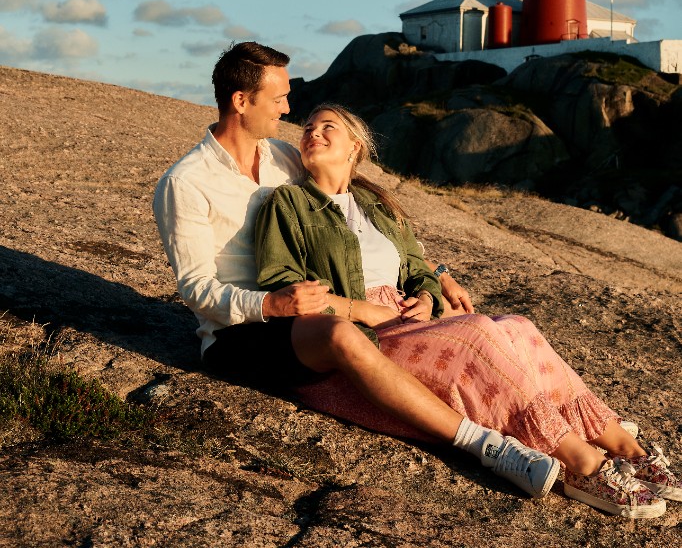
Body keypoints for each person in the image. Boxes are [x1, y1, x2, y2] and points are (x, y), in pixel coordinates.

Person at [154, 41, 560, 501]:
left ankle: (559, 418)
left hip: (306, 310)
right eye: (279, 98)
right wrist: (272, 303)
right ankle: (484, 445)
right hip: (240, 332)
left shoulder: (284, 159)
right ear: (241, 101)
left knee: (484, 326)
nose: (289, 107)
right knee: (342, 333)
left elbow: (359, 216)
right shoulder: (185, 182)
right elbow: (194, 288)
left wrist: (434, 271)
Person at [255, 102, 682, 519]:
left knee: (519, 327)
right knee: (476, 331)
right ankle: (581, 464)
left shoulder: (379, 207)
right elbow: (282, 285)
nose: (312, 132)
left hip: (407, 321)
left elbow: (417, 269)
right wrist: (362, 310)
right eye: (308, 126)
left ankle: (624, 446)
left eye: (327, 126)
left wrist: (425, 297)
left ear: (354, 147)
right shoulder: (288, 204)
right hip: (360, 332)